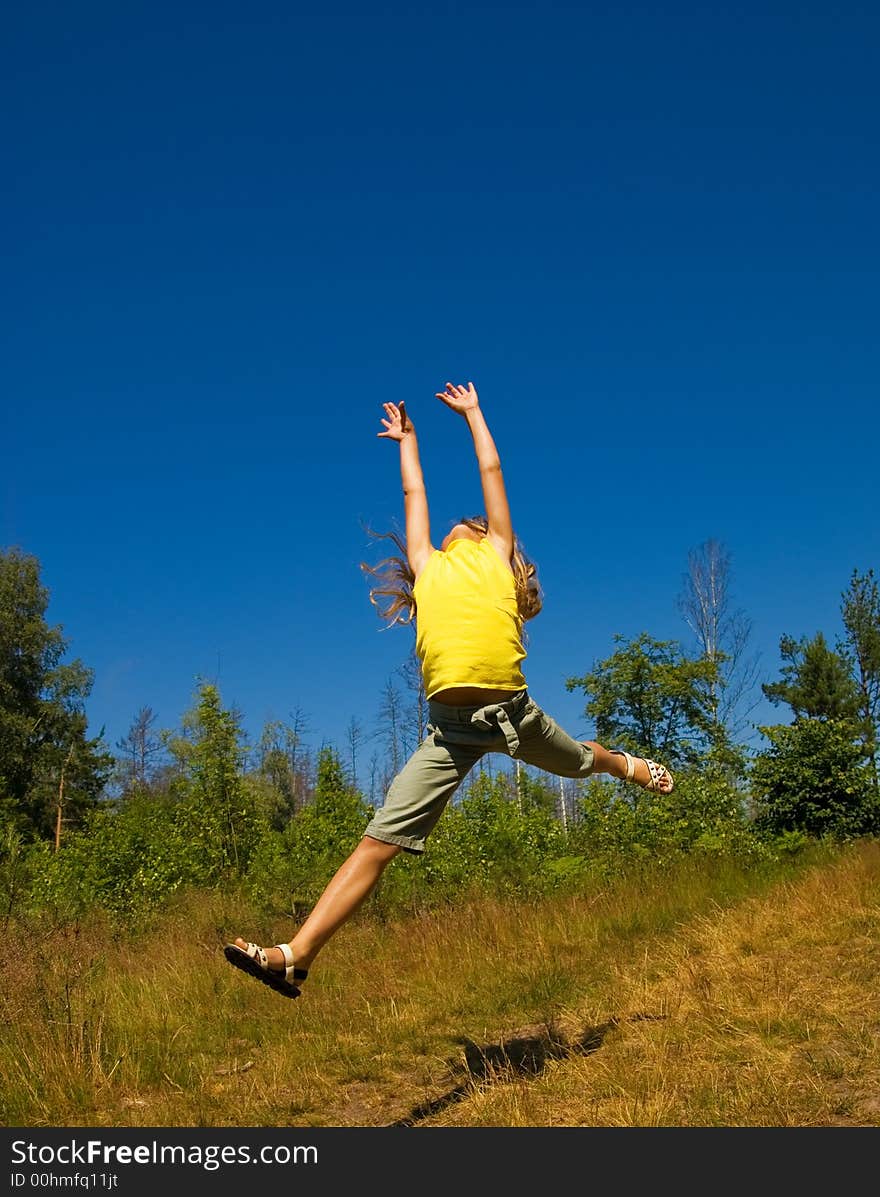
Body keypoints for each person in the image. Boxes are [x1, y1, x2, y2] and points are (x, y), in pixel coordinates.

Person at [225, 381, 674, 999]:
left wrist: (474, 413)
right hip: (450, 733)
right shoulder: (427, 562)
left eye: (475, 520)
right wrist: (407, 442)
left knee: (574, 764)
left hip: (513, 714)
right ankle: (293, 956)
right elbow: (415, 492)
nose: (466, 522)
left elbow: (490, 465)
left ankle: (622, 764)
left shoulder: (497, 551)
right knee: (379, 840)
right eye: (460, 522)